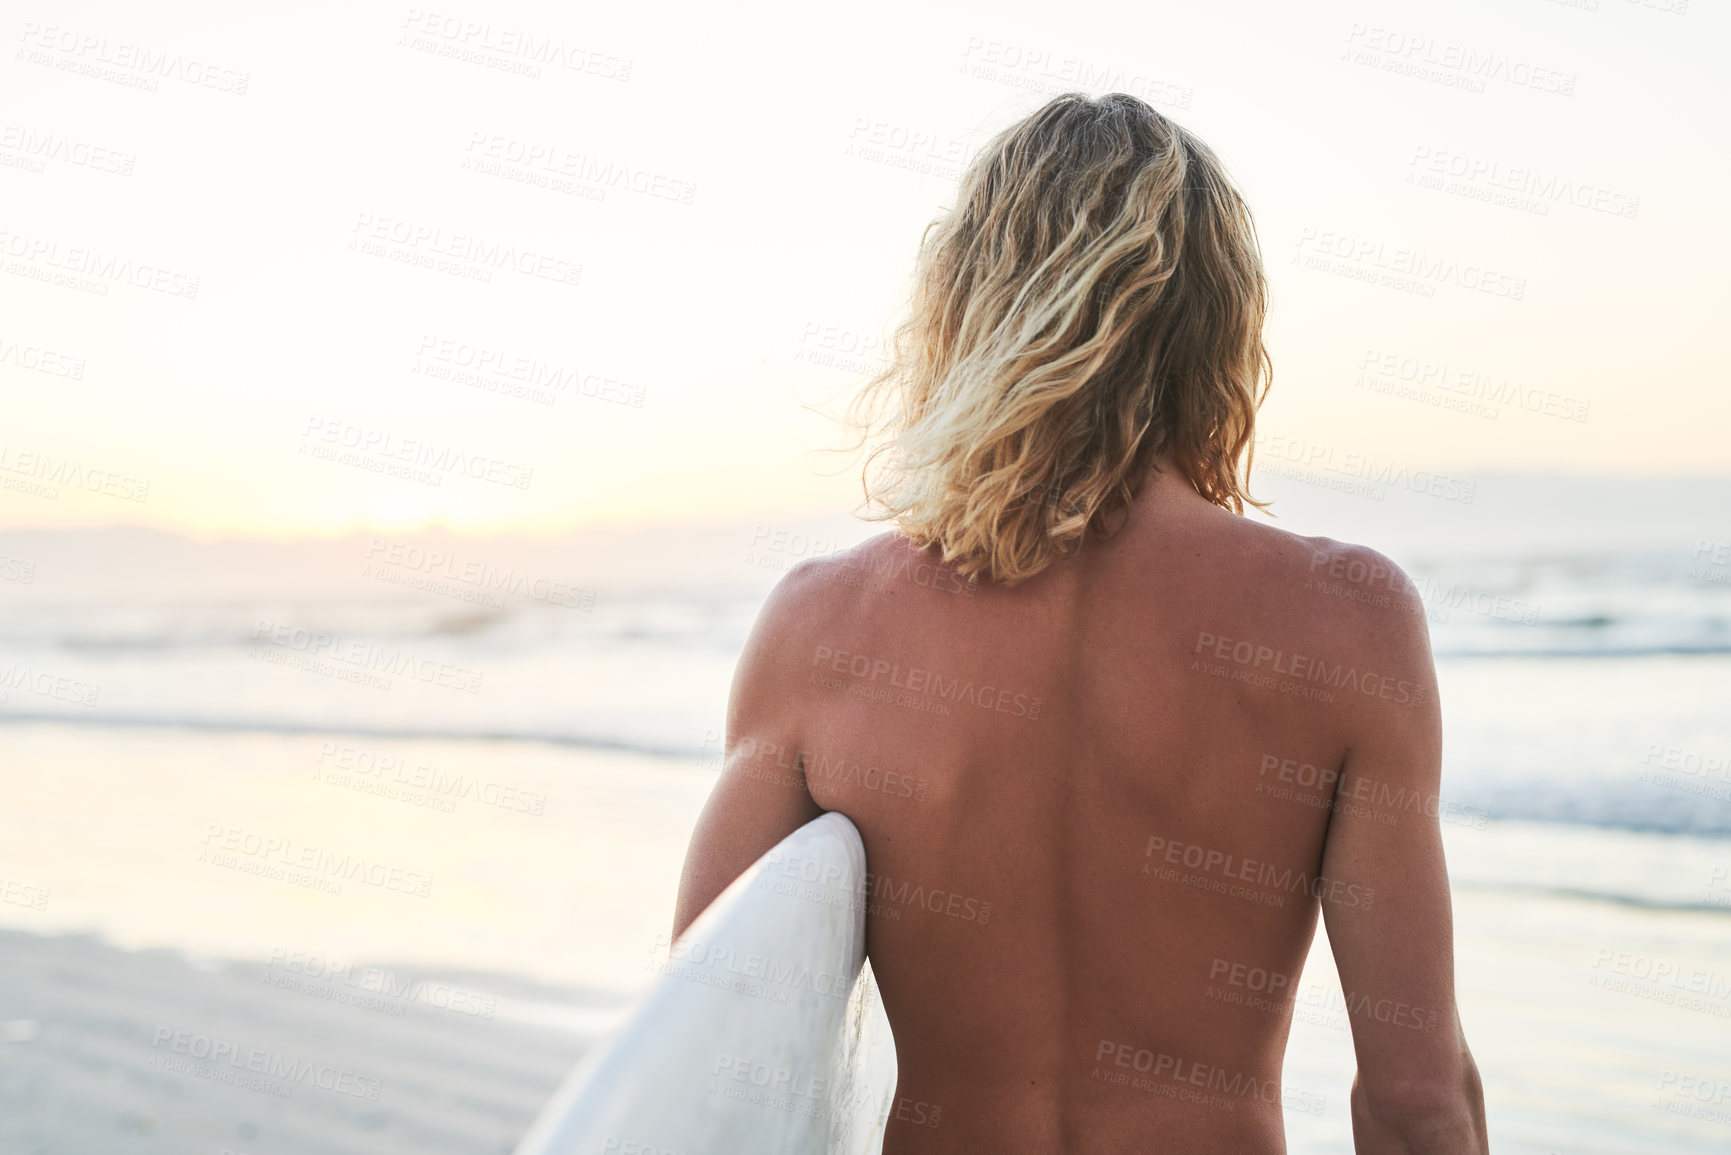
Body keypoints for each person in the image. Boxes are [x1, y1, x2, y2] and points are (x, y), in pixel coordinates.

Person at [673, 91, 1488, 1154]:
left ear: (967, 311)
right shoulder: (1348, 622)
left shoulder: (820, 626)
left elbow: (699, 1050)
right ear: (1221, 325)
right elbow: (1415, 1098)